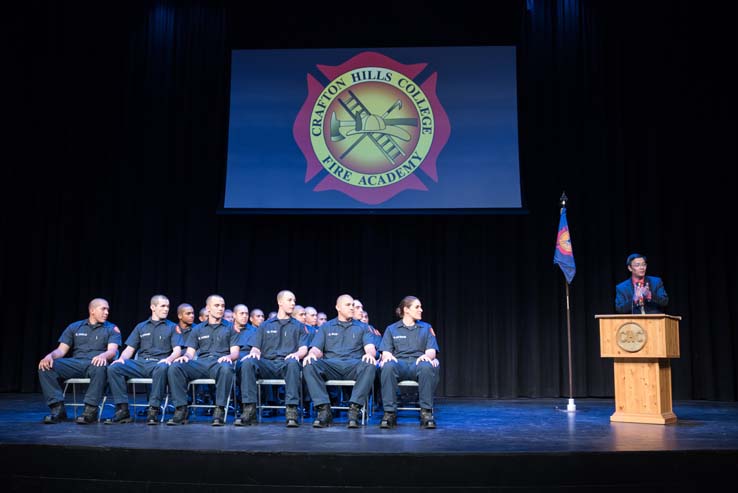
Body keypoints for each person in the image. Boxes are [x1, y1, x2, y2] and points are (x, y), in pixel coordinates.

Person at [38, 298, 121, 424]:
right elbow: (61, 350)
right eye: (103, 309)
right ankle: (57, 409)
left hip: (95, 363)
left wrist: (103, 356)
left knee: (100, 367)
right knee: (46, 366)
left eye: (108, 309)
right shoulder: (75, 327)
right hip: (76, 363)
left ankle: (90, 411)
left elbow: (112, 351)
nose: (107, 312)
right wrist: (49, 356)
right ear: (92, 310)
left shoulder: (111, 328)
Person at [105, 295, 183, 425]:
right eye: (162, 306)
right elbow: (130, 349)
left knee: (162, 367)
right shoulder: (141, 327)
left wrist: (168, 359)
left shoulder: (172, 327)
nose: (166, 309)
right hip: (140, 363)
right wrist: (121, 359)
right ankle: (122, 409)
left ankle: (153, 409)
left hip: (159, 363)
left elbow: (177, 351)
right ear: (153, 307)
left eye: (168, 306)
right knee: (114, 367)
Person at [236, 290, 309, 427]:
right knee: (247, 362)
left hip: (286, 364)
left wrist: (297, 355)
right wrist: (254, 352)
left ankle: (291, 410)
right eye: (289, 300)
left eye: (294, 300)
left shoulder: (299, 326)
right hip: (267, 363)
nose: (293, 303)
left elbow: (303, 348)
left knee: (293, 363)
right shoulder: (265, 325)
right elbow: (256, 347)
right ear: (280, 302)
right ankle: (249, 408)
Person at [303, 294, 377, 428]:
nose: (351, 308)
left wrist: (370, 354)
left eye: (352, 305)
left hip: (353, 365)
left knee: (370, 364)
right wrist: (312, 354)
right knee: (309, 364)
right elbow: (317, 349)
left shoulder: (362, 327)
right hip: (331, 365)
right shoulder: (327, 327)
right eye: (348, 305)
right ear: (338, 307)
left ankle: (354, 409)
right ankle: (324, 410)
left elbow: (370, 348)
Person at [166, 294, 239, 426]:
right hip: (201, 363)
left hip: (219, 363)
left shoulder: (230, 327)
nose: (221, 308)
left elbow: (235, 353)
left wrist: (228, 357)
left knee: (226, 368)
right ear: (208, 308)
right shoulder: (198, 328)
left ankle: (219, 410)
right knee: (175, 367)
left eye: (222, 306)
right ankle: (181, 409)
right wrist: (185, 357)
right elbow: (190, 353)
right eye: (217, 305)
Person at [379, 296, 440, 429]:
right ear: (406, 310)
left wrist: (426, 356)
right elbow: (385, 351)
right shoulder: (391, 329)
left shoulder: (426, 327)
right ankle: (389, 413)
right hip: (399, 364)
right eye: (417, 307)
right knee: (388, 366)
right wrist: (387, 355)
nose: (421, 310)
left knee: (426, 366)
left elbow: (432, 351)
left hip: (417, 364)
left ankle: (426, 412)